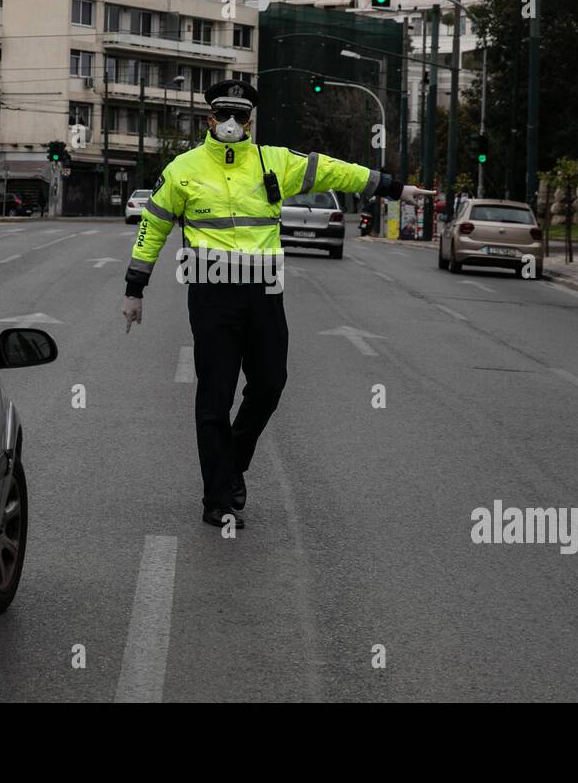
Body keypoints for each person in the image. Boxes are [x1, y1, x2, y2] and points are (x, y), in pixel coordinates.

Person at [120, 78, 435, 529]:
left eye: (240, 116)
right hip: (211, 296)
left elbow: (334, 170)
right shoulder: (182, 169)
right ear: (210, 117)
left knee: (270, 385)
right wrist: (136, 288)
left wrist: (392, 187)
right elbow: (152, 228)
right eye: (223, 114)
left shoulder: (276, 162)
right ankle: (217, 499)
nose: (231, 123)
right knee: (215, 397)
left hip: (264, 292)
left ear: (250, 120)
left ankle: (232, 467)